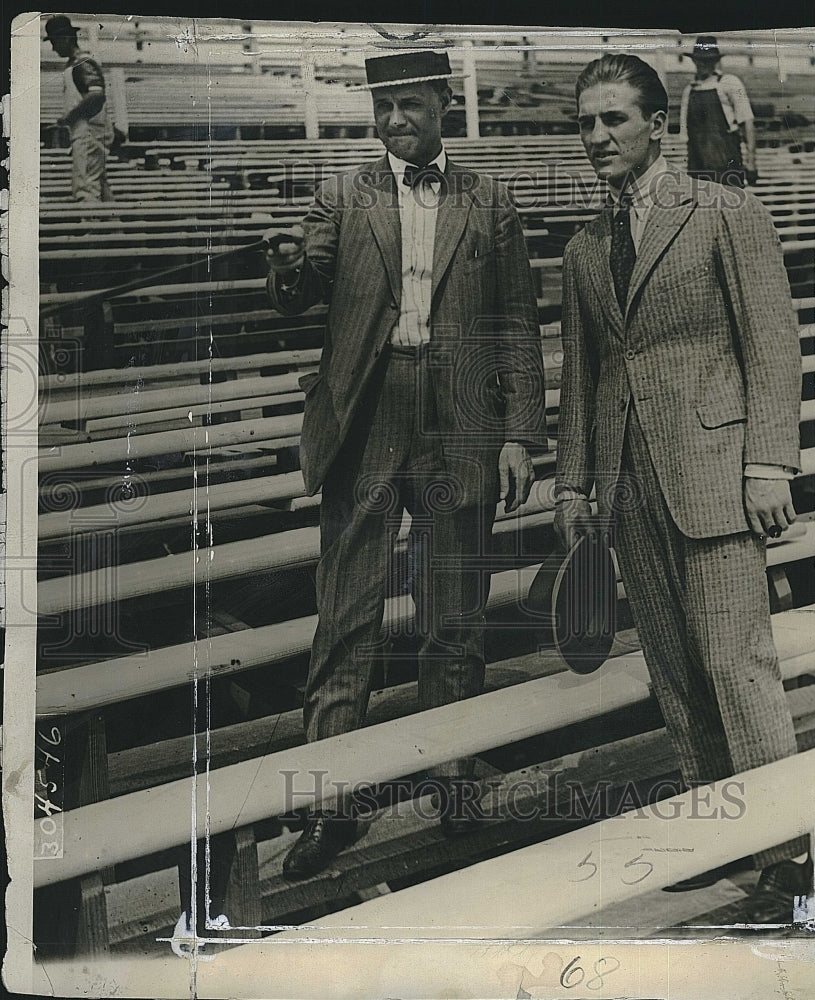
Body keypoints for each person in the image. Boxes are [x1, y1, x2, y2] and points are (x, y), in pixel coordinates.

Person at [265, 50, 547, 880]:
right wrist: (286, 263)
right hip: (368, 413)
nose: (394, 121)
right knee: (344, 614)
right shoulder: (340, 195)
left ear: (442, 107)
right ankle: (329, 803)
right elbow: (302, 287)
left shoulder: (488, 199)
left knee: (452, 611)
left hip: (462, 415)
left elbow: (518, 326)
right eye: (383, 106)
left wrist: (518, 435)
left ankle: (453, 777)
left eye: (410, 105)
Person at [555, 53, 809, 924]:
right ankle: (717, 834)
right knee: (674, 673)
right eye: (585, 123)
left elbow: (770, 341)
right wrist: (572, 487)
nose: (597, 138)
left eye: (613, 120)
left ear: (657, 125)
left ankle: (786, 857)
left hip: (717, 476)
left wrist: (769, 461)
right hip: (628, 485)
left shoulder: (724, 212)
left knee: (737, 668)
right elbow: (586, 375)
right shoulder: (585, 246)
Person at [44, 14, 113, 202]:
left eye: (54, 42)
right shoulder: (75, 65)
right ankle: (113, 229)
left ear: (65, 39)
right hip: (87, 132)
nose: (53, 48)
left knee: (85, 188)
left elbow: (97, 96)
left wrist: (69, 117)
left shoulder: (82, 64)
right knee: (99, 185)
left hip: (90, 133)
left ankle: (91, 230)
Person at [679, 36, 758, 187]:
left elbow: (747, 121)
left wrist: (751, 161)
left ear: (715, 61)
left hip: (726, 160)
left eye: (708, 60)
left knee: (730, 205)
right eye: (700, 59)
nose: (703, 64)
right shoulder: (689, 91)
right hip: (698, 164)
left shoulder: (730, 83)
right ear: (694, 60)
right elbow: (686, 136)